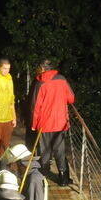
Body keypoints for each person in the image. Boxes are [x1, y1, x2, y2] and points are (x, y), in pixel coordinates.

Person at [29, 58, 75, 186]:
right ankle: (63, 179)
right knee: (59, 150)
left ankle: (43, 178)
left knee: (44, 151)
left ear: (42, 68)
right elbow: (71, 98)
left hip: (45, 123)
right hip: (60, 122)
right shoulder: (62, 79)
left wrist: (34, 124)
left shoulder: (40, 83)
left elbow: (35, 106)